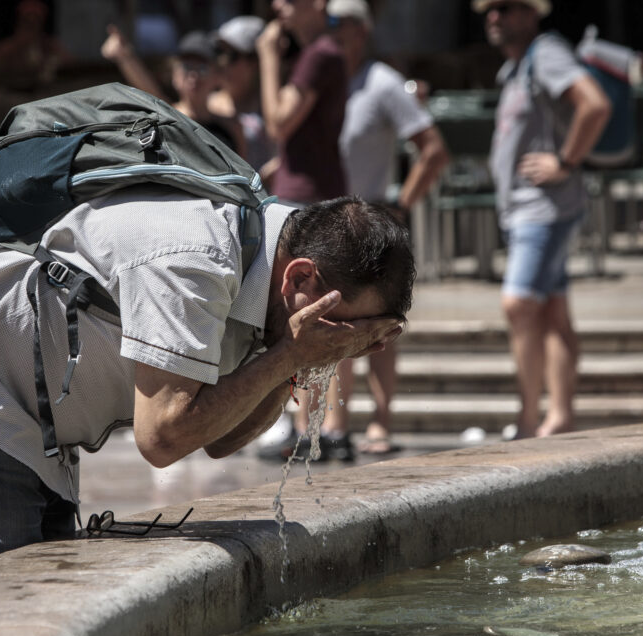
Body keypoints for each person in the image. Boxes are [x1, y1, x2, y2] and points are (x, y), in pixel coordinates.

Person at [0, 189, 414, 578]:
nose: (345, 345)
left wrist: (294, 357)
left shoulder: (272, 268)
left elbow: (219, 436)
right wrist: (295, 351)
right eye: (345, 327)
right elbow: (165, 437)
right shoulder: (195, 262)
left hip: (30, 427)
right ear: (300, 277)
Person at [319, 0, 450, 455]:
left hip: (371, 222)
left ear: (361, 29)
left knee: (380, 327)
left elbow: (433, 150)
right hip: (332, 223)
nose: (332, 32)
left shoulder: (382, 83)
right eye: (327, 24)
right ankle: (336, 422)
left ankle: (380, 419)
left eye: (340, 24)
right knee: (334, 323)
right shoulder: (327, 80)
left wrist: (400, 206)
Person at [477, 0, 611, 439]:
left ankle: (529, 419)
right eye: (489, 10)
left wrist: (566, 161)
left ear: (531, 13)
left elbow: (594, 104)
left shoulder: (546, 52)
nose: (494, 17)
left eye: (505, 8)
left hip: (543, 209)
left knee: (519, 304)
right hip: (526, 210)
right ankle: (559, 417)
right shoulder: (518, 67)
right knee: (553, 312)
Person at [258, 0, 350, 205]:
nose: (277, 4)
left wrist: (268, 56)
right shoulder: (316, 53)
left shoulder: (319, 54)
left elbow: (278, 125)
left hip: (305, 199)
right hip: (311, 194)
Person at [102, 28, 246, 157]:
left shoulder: (231, 127)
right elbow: (150, 93)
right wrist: (125, 57)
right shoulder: (166, 118)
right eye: (186, 66)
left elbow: (244, 178)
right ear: (174, 75)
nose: (193, 76)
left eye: (202, 68)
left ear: (217, 76)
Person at [210, 15, 276, 172]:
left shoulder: (273, 108)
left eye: (232, 56)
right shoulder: (206, 104)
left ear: (255, 61)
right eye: (219, 53)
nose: (223, 63)